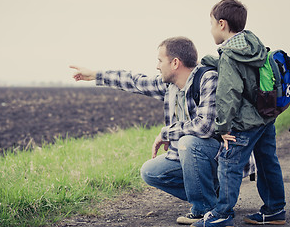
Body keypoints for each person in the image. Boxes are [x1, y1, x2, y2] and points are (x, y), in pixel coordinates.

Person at [70, 36, 221, 225]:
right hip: (190, 156)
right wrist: (94, 75)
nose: (157, 66)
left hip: (217, 156)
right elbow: (135, 81)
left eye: (160, 60)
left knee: (187, 142)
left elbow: (205, 126)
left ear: (175, 63)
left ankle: (204, 210)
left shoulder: (208, 78)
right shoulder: (170, 86)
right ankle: (212, 195)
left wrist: (166, 132)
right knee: (150, 171)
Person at [191, 0, 286, 227]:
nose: (211, 28)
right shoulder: (252, 44)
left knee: (228, 164)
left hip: (244, 123)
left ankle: (222, 213)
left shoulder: (231, 55)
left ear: (221, 24)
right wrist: (212, 60)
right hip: (265, 116)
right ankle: (275, 210)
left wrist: (223, 128)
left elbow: (228, 94)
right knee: (267, 162)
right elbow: (247, 73)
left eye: (212, 23)